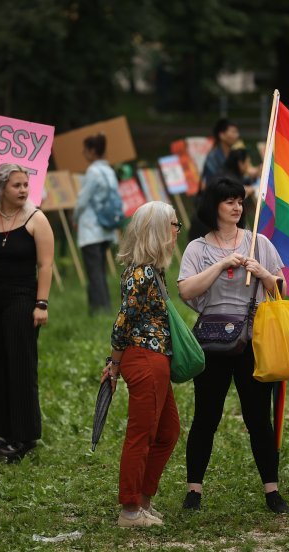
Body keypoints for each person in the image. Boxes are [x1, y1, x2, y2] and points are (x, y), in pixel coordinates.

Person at [178, 177, 289, 514]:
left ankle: (272, 490)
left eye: (240, 200)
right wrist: (222, 264)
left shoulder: (260, 243)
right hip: (211, 342)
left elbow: (282, 289)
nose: (237, 207)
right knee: (205, 417)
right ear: (215, 206)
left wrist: (263, 274)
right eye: (229, 201)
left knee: (259, 418)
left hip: (253, 340)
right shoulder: (197, 248)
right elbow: (186, 291)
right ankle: (193, 490)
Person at [101, 201, 182, 528]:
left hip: (156, 357)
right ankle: (130, 510)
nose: (177, 231)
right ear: (159, 230)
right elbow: (123, 322)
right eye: (174, 225)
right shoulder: (142, 273)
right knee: (142, 434)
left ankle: (143, 500)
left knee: (167, 431)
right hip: (144, 357)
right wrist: (114, 363)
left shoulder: (153, 270)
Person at [0, 164, 54, 462]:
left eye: (26, 185)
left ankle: (25, 434)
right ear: (2, 188)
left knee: (20, 362)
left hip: (22, 298)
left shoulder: (36, 219)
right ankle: (1, 430)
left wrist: (41, 303)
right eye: (17, 185)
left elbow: (45, 265)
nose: (24, 190)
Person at [74, 134, 117, 315]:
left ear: (92, 151)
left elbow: (83, 200)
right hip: (106, 228)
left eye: (85, 149)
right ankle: (104, 306)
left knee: (94, 272)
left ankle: (99, 309)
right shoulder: (109, 170)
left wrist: (74, 217)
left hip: (91, 228)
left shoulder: (93, 171)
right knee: (100, 269)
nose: (84, 153)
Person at [190, 119, 246, 242]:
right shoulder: (213, 157)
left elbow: (236, 177)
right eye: (233, 131)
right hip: (213, 207)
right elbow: (213, 184)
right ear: (222, 135)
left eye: (237, 132)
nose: (236, 135)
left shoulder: (233, 154)